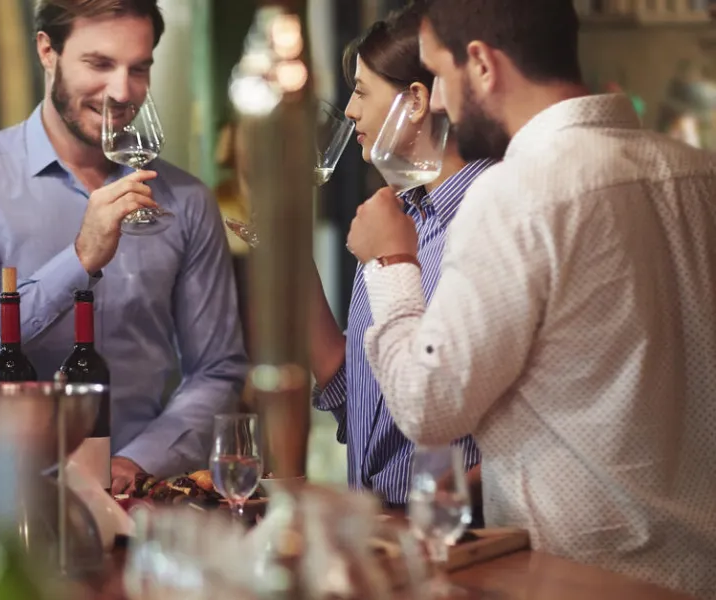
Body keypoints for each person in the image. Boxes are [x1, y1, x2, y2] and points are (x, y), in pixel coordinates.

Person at [346, 0, 716, 595]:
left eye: (440, 74)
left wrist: (392, 261)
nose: (437, 100)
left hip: (583, 577)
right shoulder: (700, 175)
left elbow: (426, 406)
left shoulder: (515, 193)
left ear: (482, 64)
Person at [0, 0, 247, 493]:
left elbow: (218, 370)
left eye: (139, 69)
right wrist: (78, 261)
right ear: (47, 51)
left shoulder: (186, 200)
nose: (121, 91)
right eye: (99, 64)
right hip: (0, 503)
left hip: (139, 500)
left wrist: (136, 462)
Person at [307, 5, 493, 516]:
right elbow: (365, 403)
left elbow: (515, 432)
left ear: (415, 101)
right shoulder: (398, 217)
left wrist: (427, 510)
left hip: (459, 537)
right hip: (384, 530)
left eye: (362, 91)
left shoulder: (487, 219)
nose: (348, 110)